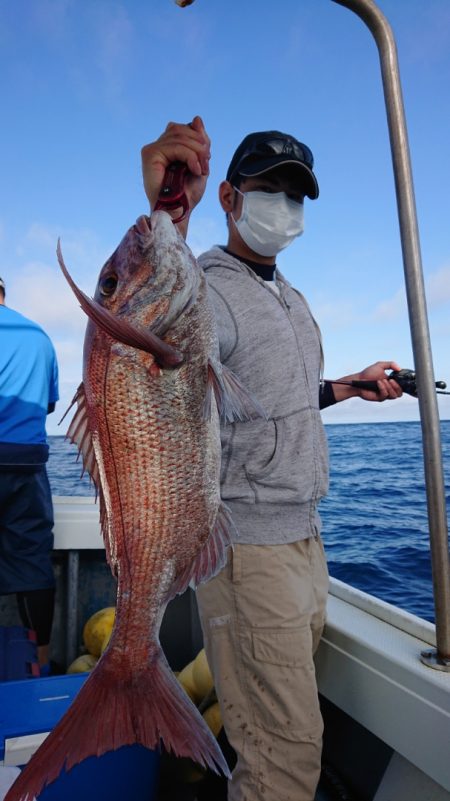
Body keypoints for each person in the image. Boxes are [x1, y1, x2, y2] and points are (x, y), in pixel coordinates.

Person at [141, 117, 403, 801]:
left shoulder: (290, 296)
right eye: (268, 189)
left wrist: (349, 385)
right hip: (249, 550)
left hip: (306, 540)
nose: (284, 207)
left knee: (278, 739)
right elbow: (154, 338)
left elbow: (277, 400)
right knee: (284, 763)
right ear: (229, 197)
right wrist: (168, 213)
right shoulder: (206, 286)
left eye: (296, 195)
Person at [0, 276, 59, 673]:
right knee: (33, 561)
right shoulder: (39, 337)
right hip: (26, 464)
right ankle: (40, 664)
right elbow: (48, 404)